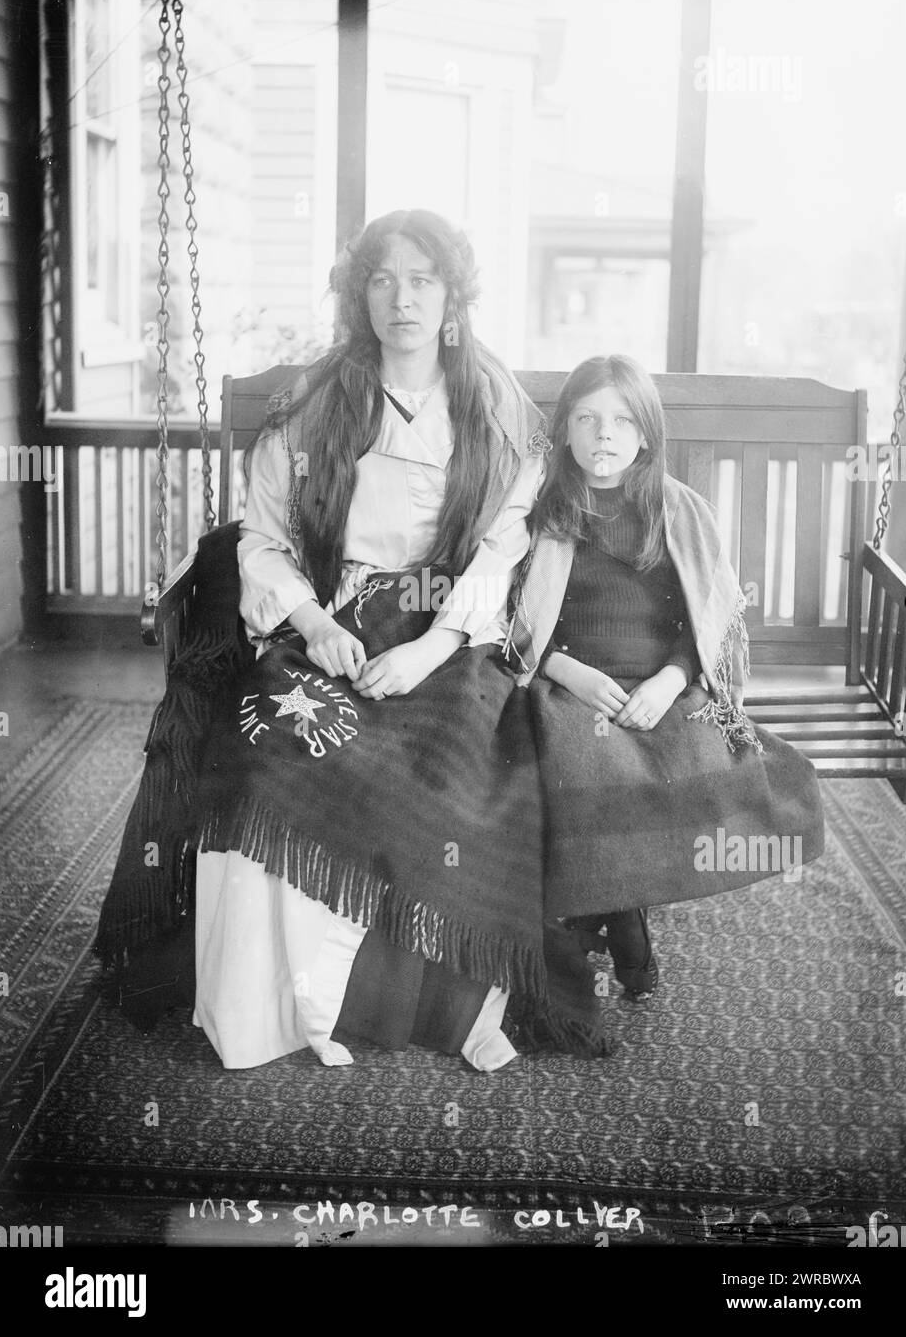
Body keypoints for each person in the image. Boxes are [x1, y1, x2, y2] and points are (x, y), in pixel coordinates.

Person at [186, 210, 607, 1072]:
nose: (402, 298)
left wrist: (431, 646)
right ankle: (282, 1008)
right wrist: (312, 623)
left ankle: (444, 1012)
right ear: (360, 294)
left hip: (450, 635)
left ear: (451, 296)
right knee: (271, 757)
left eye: (422, 280)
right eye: (382, 279)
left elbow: (503, 550)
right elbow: (260, 540)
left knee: (456, 777)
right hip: (335, 621)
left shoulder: (492, 411)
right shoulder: (313, 407)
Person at [505, 354, 825, 998]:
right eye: (588, 418)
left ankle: (612, 902)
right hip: (563, 683)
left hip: (663, 686)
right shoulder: (537, 510)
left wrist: (673, 680)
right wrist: (568, 671)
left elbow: (705, 618)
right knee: (584, 763)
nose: (604, 435)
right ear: (563, 427)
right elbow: (511, 612)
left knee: (729, 767)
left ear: (646, 434)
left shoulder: (678, 511)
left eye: (622, 421)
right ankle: (625, 924)